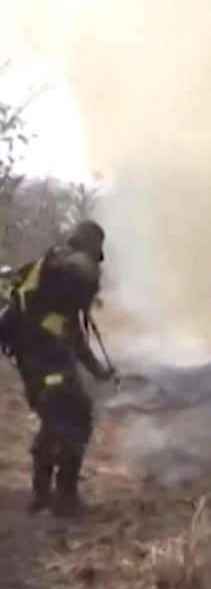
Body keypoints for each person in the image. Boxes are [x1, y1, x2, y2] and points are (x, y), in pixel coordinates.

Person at [7, 220, 115, 517]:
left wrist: (97, 370)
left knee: (54, 418)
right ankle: (64, 498)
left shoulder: (50, 265)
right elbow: (69, 329)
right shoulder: (73, 269)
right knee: (77, 416)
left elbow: (71, 332)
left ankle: (41, 494)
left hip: (31, 356)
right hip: (45, 357)